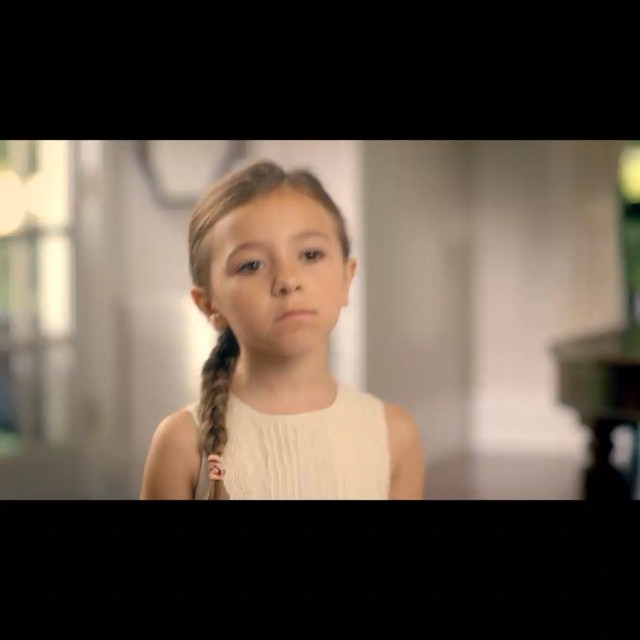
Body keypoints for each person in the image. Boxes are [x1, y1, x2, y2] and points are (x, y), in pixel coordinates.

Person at [140, 160, 425, 500]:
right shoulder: (181, 444)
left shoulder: (394, 437)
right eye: (252, 265)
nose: (288, 280)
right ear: (209, 305)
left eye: (310, 254)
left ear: (346, 279)